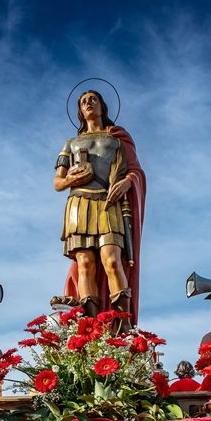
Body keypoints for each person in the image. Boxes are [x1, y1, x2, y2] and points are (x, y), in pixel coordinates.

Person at [53, 90, 146, 324]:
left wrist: (127, 182)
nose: (88, 103)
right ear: (80, 111)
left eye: (93, 99)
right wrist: (71, 179)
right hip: (79, 204)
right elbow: (57, 183)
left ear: (102, 106)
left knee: (112, 260)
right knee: (85, 264)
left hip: (109, 203)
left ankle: (123, 326)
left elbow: (135, 170)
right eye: (83, 101)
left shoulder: (117, 140)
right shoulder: (70, 144)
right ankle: (93, 329)